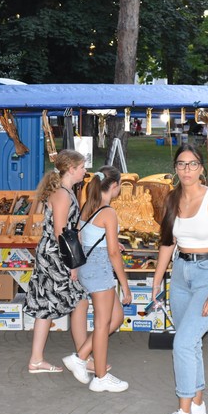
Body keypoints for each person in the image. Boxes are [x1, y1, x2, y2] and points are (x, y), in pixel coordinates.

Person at [151, 144, 208, 414]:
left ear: (201, 168)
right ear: (176, 168)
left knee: (183, 343)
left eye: (192, 164)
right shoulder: (172, 198)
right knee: (192, 342)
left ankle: (184, 413)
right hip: (180, 274)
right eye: (181, 164)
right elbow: (167, 242)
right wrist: (157, 280)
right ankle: (197, 404)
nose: (187, 170)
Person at [64, 166, 132, 392]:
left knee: (116, 317)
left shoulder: (89, 206)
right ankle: (101, 377)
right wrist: (125, 285)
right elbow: (113, 254)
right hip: (100, 270)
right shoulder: (108, 212)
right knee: (102, 325)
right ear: (114, 186)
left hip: (87, 266)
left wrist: (110, 242)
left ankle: (80, 356)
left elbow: (84, 235)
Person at [25, 149, 89, 375]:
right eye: (82, 167)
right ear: (71, 169)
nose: (85, 171)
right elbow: (61, 232)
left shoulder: (65, 191)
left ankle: (38, 359)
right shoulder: (62, 194)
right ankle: (83, 356)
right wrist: (72, 264)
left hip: (51, 254)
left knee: (48, 306)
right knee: (79, 300)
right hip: (57, 256)